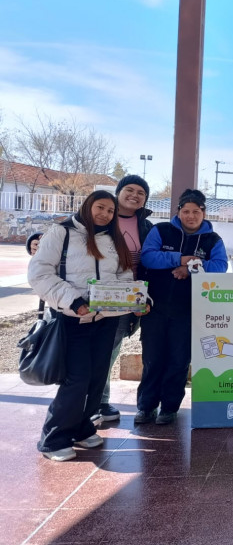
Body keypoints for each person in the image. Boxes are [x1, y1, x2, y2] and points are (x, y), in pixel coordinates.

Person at [28, 190, 134, 461]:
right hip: (72, 319)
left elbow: (124, 275)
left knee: (97, 378)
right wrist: (72, 301)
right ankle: (53, 438)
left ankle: (82, 427)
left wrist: (135, 299)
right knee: (76, 379)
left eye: (110, 211)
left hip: (105, 320)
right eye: (100, 207)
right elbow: (39, 273)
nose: (105, 214)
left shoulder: (113, 239)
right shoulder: (61, 232)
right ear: (88, 206)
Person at [136, 189, 228, 425]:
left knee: (178, 361)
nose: (190, 216)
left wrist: (191, 269)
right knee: (152, 359)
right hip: (155, 309)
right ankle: (146, 407)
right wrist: (179, 259)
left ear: (203, 213)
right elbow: (148, 258)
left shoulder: (213, 240)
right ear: (178, 212)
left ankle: (169, 407)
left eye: (196, 212)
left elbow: (220, 267)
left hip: (189, 311)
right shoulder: (161, 231)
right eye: (185, 211)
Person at [97, 175, 154, 423]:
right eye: (129, 190)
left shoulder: (147, 226)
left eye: (141, 192)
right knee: (98, 348)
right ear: (118, 192)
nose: (135, 195)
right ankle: (94, 401)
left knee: (112, 348)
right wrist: (35, 241)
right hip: (100, 292)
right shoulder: (103, 218)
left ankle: (100, 400)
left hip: (131, 295)